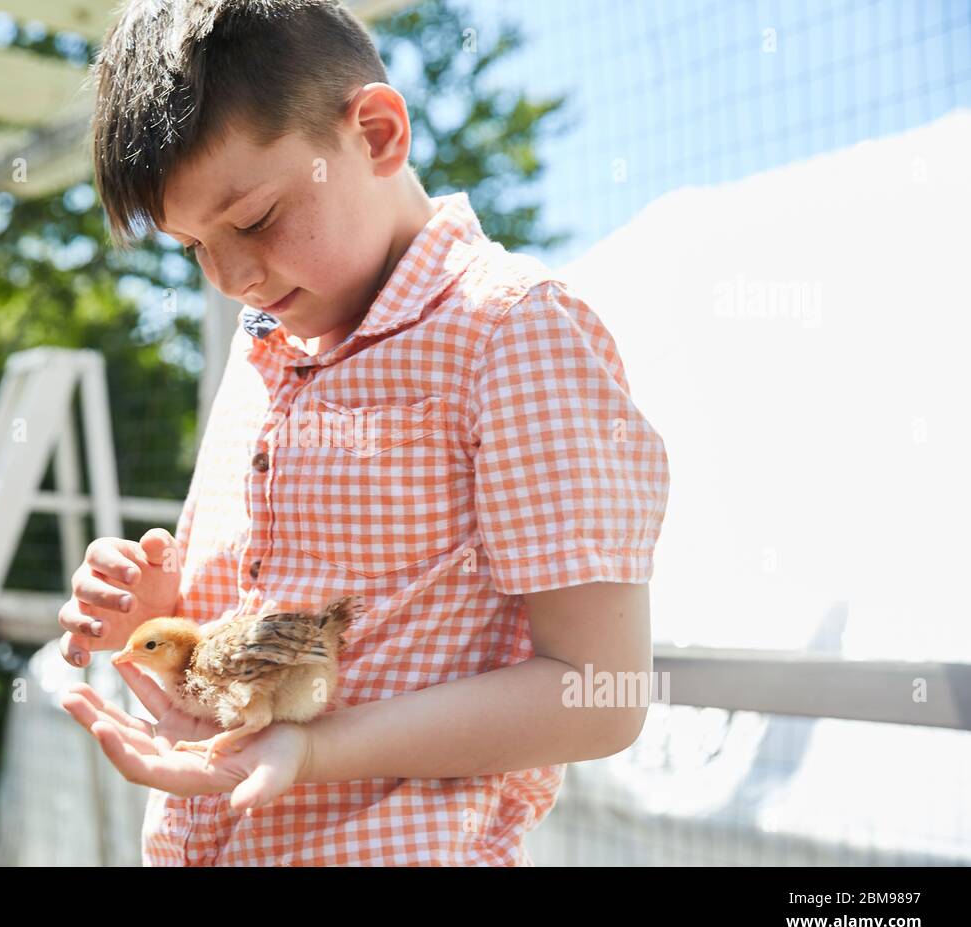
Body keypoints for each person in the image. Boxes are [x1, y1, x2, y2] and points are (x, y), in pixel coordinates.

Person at [59, 0, 670, 866]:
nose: (229, 278)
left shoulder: (511, 333)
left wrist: (314, 753)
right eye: (193, 246)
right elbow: (258, 623)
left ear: (378, 134)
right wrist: (169, 623)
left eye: (255, 220)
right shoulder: (265, 343)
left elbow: (600, 695)